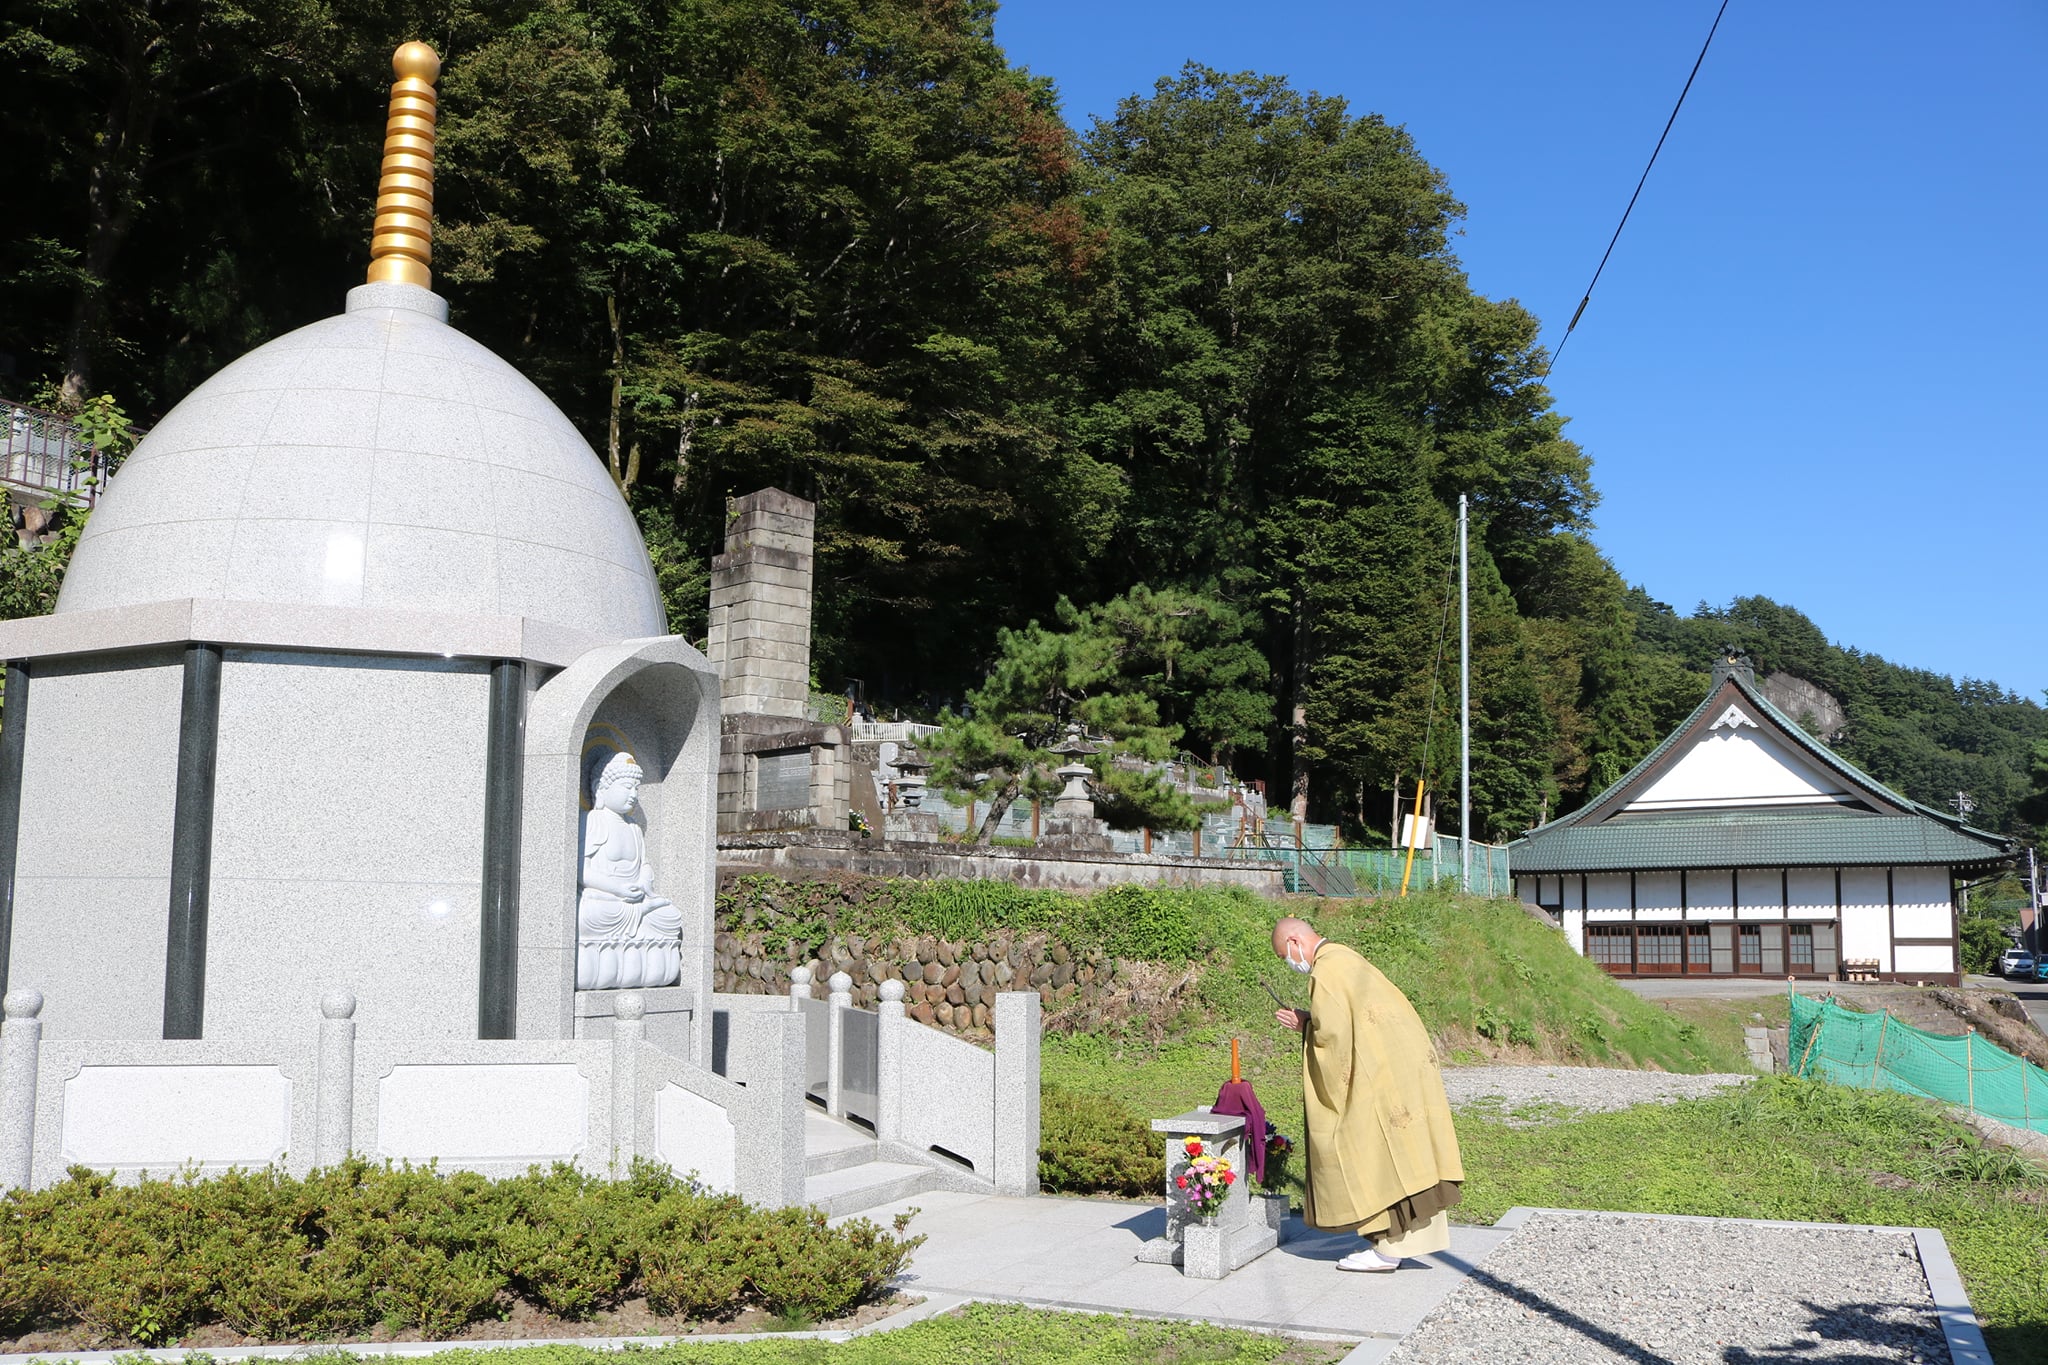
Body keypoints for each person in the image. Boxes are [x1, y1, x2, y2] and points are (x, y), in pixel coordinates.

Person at [1272, 915, 1463, 1273]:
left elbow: (1333, 1038)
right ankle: (1400, 1244)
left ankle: (1388, 1251)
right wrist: (1312, 1021)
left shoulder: (1325, 973)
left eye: (1286, 955)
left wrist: (1306, 1025)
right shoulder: (1346, 957)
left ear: (1295, 942)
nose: (1290, 963)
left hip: (1377, 1077)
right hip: (1400, 1066)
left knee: (1372, 1152)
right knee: (1407, 1154)